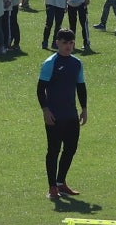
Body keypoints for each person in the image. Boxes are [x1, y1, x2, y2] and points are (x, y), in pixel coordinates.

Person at [36, 28, 89, 201]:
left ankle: (61, 183)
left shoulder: (77, 63)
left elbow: (80, 86)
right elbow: (40, 89)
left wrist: (84, 108)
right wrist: (45, 110)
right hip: (54, 115)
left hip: (71, 115)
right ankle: (52, 187)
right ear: (57, 42)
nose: (68, 46)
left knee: (71, 149)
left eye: (71, 43)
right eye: (65, 43)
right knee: (53, 150)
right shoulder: (50, 62)